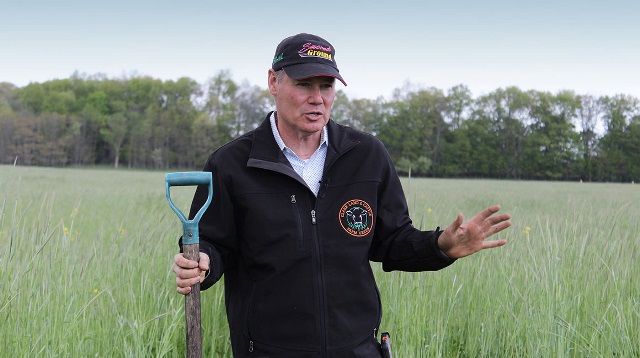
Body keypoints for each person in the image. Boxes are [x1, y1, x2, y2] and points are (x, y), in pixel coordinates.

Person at [173, 33, 511, 357]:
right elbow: (213, 244)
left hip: (357, 350)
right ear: (274, 82)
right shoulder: (231, 163)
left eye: (327, 86)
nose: (317, 98)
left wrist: (440, 247)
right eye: (304, 85)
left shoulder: (367, 155)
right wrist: (203, 261)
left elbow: (392, 241)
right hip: (267, 351)